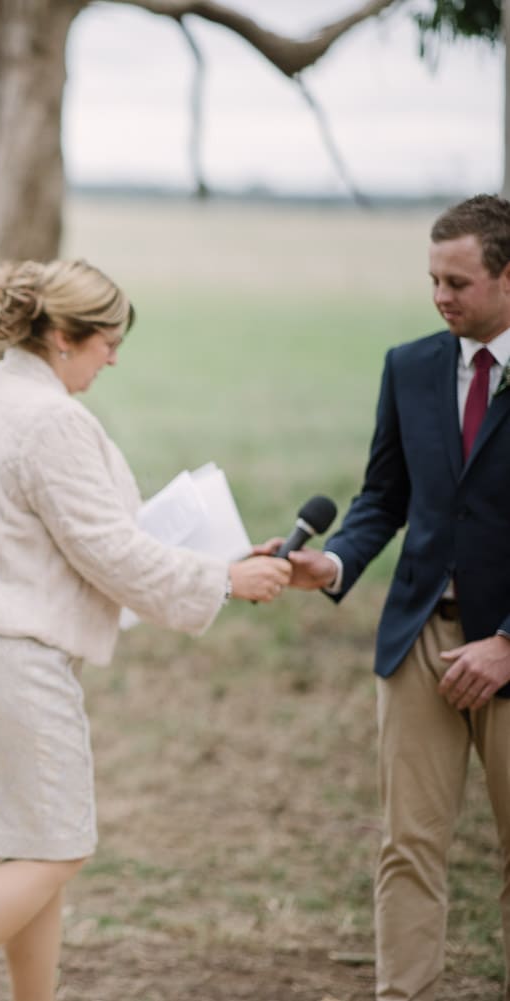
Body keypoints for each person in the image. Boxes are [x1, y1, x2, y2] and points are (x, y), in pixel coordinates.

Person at [0, 258, 292, 1001]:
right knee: (56, 853)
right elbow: (109, 550)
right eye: (106, 340)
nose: (114, 356)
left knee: (37, 847)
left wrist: (231, 559)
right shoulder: (48, 418)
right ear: (60, 335)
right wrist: (219, 580)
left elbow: (87, 535)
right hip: (9, 655)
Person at [286, 195, 510, 1001]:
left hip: (507, 649)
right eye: (432, 280)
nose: (442, 296)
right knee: (408, 843)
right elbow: (384, 495)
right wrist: (336, 563)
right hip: (418, 635)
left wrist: (507, 643)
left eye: (459, 281)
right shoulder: (410, 365)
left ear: (508, 276)